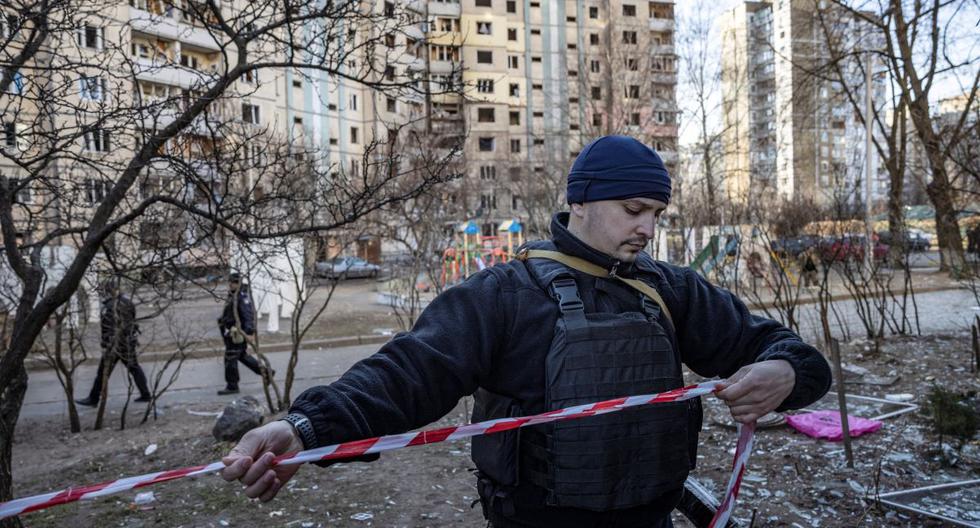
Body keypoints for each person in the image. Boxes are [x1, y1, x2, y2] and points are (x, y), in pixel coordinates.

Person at [221, 136, 832, 526]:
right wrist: (306, 427)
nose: (647, 228)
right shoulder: (505, 293)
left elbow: (785, 351)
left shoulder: (671, 289)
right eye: (633, 210)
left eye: (656, 213)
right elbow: (409, 372)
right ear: (582, 202)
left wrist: (786, 372)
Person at [76, 278, 151, 406]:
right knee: (134, 368)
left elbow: (107, 329)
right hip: (128, 341)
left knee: (102, 373)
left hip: (115, 344)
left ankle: (93, 398)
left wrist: (105, 345)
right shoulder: (128, 303)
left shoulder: (109, 306)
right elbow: (131, 321)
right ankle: (146, 394)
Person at [217, 272, 266, 395]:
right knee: (242, 356)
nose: (230, 284)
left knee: (231, 358)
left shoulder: (241, 296)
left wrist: (249, 331)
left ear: (237, 283)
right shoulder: (234, 295)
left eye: (232, 282)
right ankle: (266, 373)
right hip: (231, 332)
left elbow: (247, 315)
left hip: (237, 333)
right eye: (229, 282)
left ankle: (232, 385)